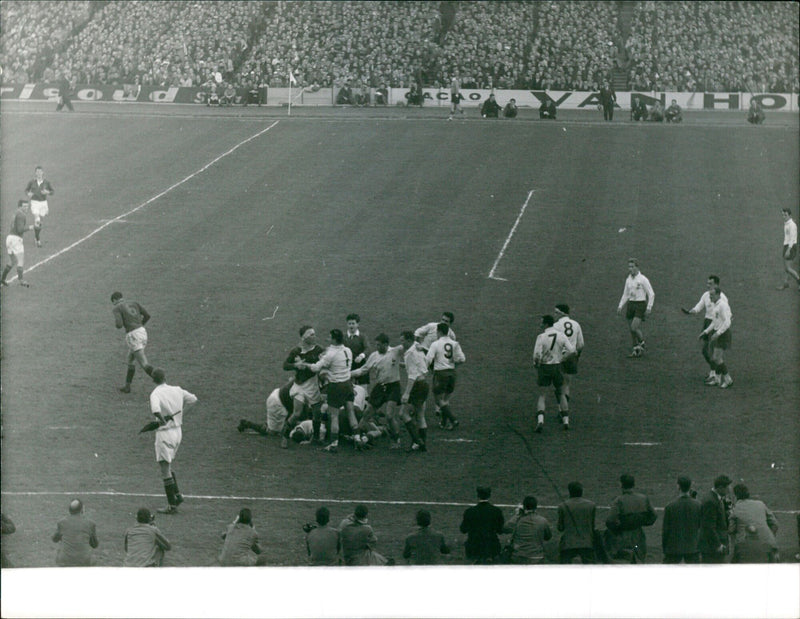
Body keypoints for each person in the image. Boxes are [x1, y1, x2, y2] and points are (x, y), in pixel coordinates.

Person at [298, 328, 358, 453]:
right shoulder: (348, 350)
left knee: (334, 416)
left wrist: (306, 365)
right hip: (348, 384)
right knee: (350, 412)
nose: (327, 339)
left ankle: (333, 444)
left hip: (336, 386)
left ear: (334, 339)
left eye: (330, 337)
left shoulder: (331, 353)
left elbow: (315, 368)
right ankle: (357, 439)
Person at [148, 368, 198, 514]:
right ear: (165, 377)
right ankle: (177, 496)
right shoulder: (177, 389)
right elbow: (193, 400)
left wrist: (163, 421)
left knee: (164, 469)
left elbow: (155, 410)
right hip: (178, 432)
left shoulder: (155, 394)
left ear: (153, 380)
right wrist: (180, 415)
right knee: (168, 466)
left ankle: (172, 505)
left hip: (164, 434)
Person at [351, 333, 409, 448]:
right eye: (376, 345)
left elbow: (409, 345)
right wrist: (348, 374)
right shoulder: (374, 356)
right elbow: (364, 370)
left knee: (389, 415)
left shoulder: (395, 351)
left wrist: (419, 346)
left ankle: (396, 439)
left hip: (393, 386)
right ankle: (359, 436)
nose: (377, 347)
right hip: (380, 387)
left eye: (379, 345)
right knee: (367, 414)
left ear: (386, 344)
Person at [533, 314, 576, 432]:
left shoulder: (541, 337)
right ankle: (566, 420)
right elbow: (572, 350)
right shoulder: (561, 335)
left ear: (546, 324)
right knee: (561, 394)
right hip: (557, 366)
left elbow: (536, 355)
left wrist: (536, 364)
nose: (540, 324)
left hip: (544, 367)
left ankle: (540, 420)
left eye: (541, 322)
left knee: (542, 395)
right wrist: (562, 358)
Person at [682, 275, 729, 382]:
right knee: (705, 351)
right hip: (708, 323)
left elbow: (727, 316)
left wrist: (720, 330)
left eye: (710, 283)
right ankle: (715, 372)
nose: (708, 285)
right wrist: (691, 311)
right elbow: (699, 306)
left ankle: (717, 375)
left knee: (712, 351)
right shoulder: (706, 295)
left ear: (716, 285)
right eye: (707, 283)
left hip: (716, 325)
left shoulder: (723, 299)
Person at [282, 325, 324, 439]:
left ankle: (315, 438)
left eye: (314, 334)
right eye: (311, 334)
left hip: (313, 385)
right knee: (297, 413)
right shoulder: (296, 351)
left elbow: (324, 366)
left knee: (317, 414)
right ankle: (285, 436)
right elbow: (285, 365)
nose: (314, 336)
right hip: (300, 385)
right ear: (303, 338)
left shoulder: (319, 350)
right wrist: (296, 365)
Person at [604, 474, 657, 563]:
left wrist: (617, 528)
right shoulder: (643, 498)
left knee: (624, 560)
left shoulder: (618, 501)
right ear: (633, 485)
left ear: (621, 485)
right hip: (638, 536)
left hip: (623, 537)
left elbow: (610, 520)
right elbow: (654, 516)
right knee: (639, 558)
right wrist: (642, 522)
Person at [111, 291, 155, 392]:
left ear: (114, 300)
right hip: (142, 331)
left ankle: (162, 382)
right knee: (130, 359)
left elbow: (119, 325)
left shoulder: (117, 308)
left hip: (133, 335)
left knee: (144, 363)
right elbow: (147, 315)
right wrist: (140, 324)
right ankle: (127, 386)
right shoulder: (134, 303)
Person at [426, 322, 466, 431]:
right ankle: (443, 423)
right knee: (445, 399)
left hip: (440, 374)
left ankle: (453, 419)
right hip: (452, 373)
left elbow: (429, 358)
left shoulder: (435, 344)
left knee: (438, 400)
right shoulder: (454, 343)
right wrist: (453, 364)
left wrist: (425, 369)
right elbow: (462, 359)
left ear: (438, 331)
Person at [728, 483, 779, 562]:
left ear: (735, 496)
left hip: (745, 546)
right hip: (768, 544)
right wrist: (768, 537)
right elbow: (775, 524)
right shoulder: (760, 504)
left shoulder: (736, 509)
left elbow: (731, 530)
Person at [616, 258, 654, 358]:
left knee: (634, 327)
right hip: (631, 305)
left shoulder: (643, 279)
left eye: (632, 267)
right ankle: (635, 350)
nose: (630, 269)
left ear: (637, 267)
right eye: (629, 267)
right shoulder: (628, 279)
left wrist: (649, 307)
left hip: (640, 305)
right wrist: (620, 306)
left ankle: (642, 342)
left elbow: (651, 294)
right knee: (631, 330)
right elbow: (625, 294)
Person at [460, 486, 505, 564]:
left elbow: (463, 530)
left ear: (478, 496)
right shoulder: (496, 511)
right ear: (489, 495)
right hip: (491, 547)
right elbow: (500, 530)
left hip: (473, 547)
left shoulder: (469, 511)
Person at [400, 330, 429, 451]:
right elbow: (421, 365)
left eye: (402, 341)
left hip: (417, 386)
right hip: (424, 384)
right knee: (420, 415)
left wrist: (406, 393)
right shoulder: (418, 349)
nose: (401, 343)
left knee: (403, 413)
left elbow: (412, 375)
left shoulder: (410, 353)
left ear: (408, 340)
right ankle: (421, 445)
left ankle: (418, 441)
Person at [662, 476, 702, 563]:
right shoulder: (698, 505)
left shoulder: (670, 506)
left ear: (678, 486)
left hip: (674, 547)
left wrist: (665, 547)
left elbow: (666, 530)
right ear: (690, 487)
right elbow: (700, 525)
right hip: (692, 546)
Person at [700, 286, 733, 388]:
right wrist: (706, 331)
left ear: (718, 295)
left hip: (723, 334)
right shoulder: (715, 305)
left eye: (712, 295)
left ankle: (728, 379)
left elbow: (728, 322)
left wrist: (718, 333)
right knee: (715, 357)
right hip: (717, 333)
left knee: (717, 358)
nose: (710, 297)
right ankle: (718, 379)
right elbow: (714, 322)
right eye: (709, 295)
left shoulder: (722, 305)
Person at [552, 304, 584, 409]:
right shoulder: (576, 324)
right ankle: (565, 409)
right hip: (571, 357)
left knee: (558, 386)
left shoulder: (556, 326)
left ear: (562, 313)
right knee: (567, 385)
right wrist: (577, 355)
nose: (555, 315)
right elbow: (581, 344)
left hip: (559, 357)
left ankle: (561, 410)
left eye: (556, 312)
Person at [557, 481, 596, 564]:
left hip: (568, 544)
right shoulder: (591, 505)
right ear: (582, 492)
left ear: (569, 492)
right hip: (587, 543)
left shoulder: (562, 506)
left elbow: (560, 527)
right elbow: (592, 526)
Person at [505, 496, 552, 564]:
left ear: (524, 507)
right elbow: (548, 537)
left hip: (518, 556)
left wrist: (517, 515)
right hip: (537, 557)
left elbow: (506, 528)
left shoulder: (518, 520)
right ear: (536, 507)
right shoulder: (543, 521)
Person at [52, 499, 99, 566]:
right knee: (93, 558)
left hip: (65, 561)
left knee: (58, 552)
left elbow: (54, 539)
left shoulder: (62, 522)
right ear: (82, 510)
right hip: (84, 561)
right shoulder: (90, 523)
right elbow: (94, 545)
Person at [699, 474, 732, 563]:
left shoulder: (716, 498)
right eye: (727, 487)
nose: (729, 490)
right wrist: (718, 545)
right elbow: (709, 526)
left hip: (714, 546)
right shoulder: (710, 502)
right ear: (721, 488)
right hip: (712, 549)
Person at [1, 200, 34, 287]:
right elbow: (20, 230)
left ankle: (2, 279)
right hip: (16, 239)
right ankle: (21, 280)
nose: (26, 208)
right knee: (20, 260)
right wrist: (30, 228)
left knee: (12, 261)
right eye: (24, 206)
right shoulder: (22, 215)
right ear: (19, 206)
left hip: (9, 238)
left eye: (27, 206)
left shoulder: (15, 213)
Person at [25, 165, 54, 247]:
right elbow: (26, 190)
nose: (38, 173)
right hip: (34, 203)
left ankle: (36, 236)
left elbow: (52, 191)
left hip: (44, 203)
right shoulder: (32, 182)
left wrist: (47, 192)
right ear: (35, 173)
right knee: (37, 220)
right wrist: (28, 194)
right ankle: (38, 240)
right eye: (37, 172)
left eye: (40, 172)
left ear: (42, 172)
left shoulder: (46, 182)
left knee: (39, 222)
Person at [344, 313, 370, 386]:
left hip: (361, 364)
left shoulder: (362, 337)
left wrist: (361, 356)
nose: (351, 326)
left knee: (363, 387)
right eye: (349, 323)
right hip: (348, 365)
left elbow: (367, 348)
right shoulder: (344, 337)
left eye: (353, 323)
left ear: (357, 324)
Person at [777, 208, 799, 290]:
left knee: (787, 268)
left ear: (789, 215)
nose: (783, 216)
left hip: (790, 246)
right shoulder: (787, 223)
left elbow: (792, 239)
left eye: (785, 215)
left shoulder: (791, 225)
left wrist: (788, 250)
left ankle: (798, 280)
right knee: (787, 267)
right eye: (782, 215)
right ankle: (786, 283)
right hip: (787, 245)